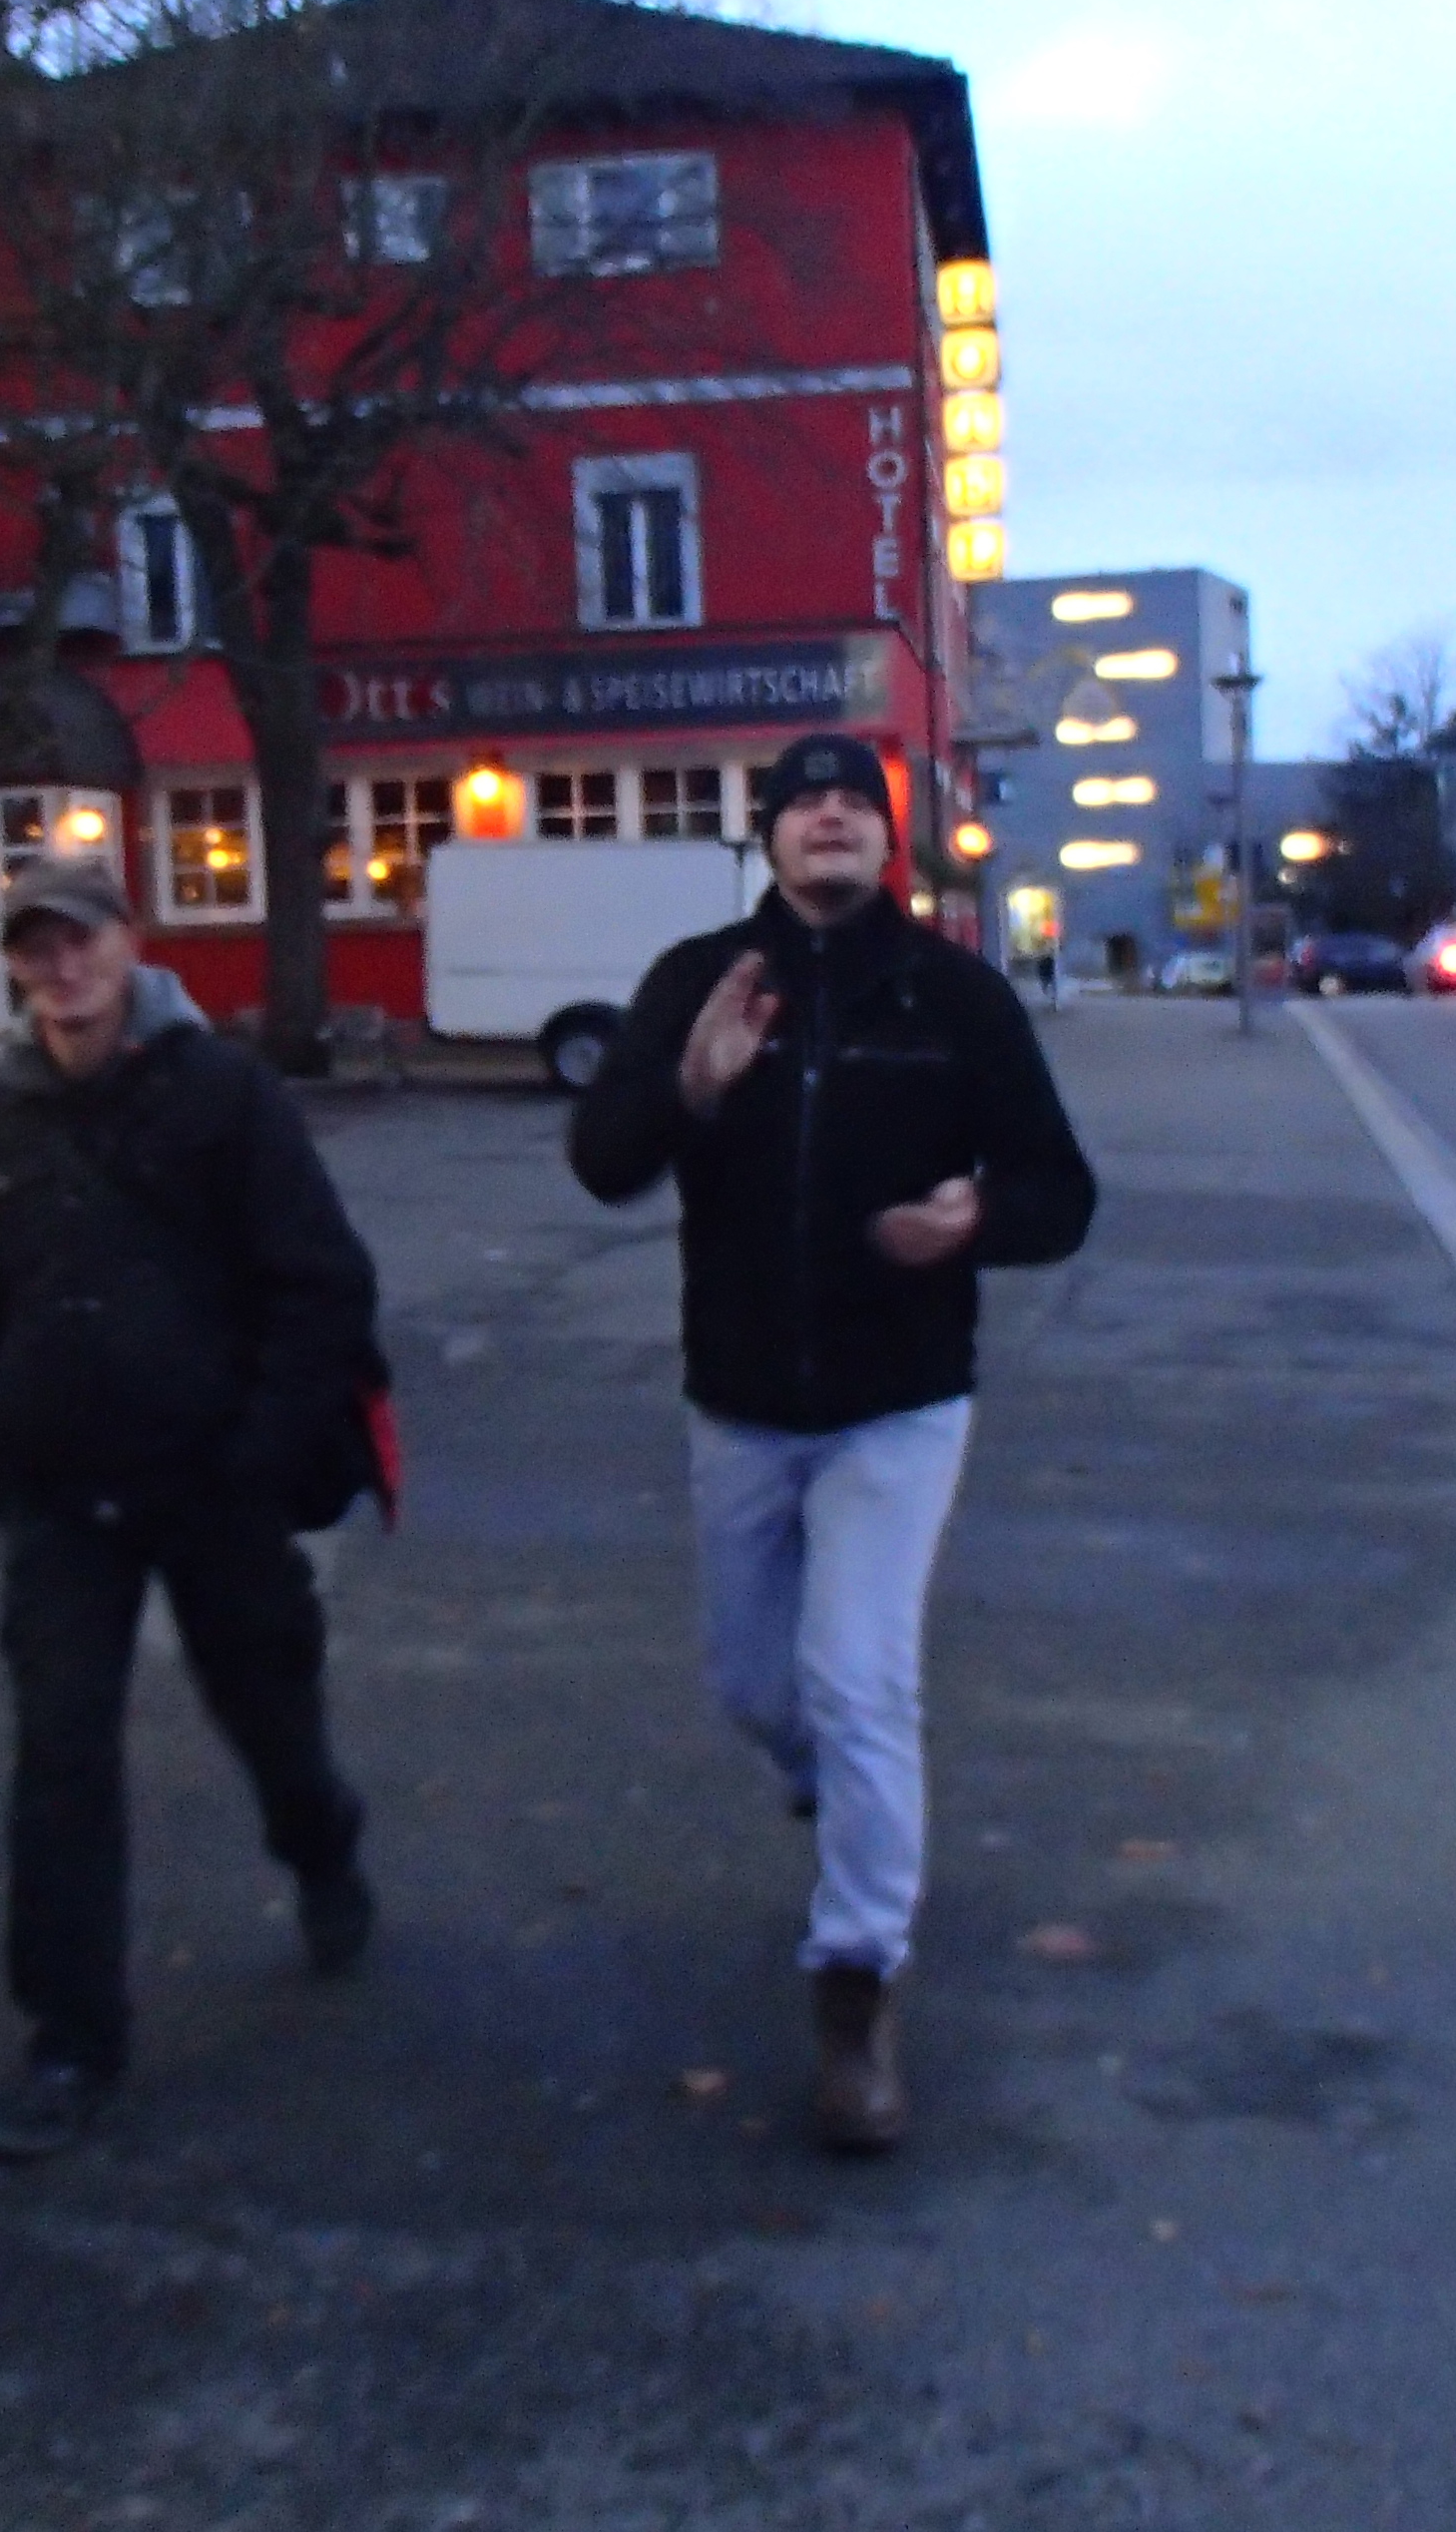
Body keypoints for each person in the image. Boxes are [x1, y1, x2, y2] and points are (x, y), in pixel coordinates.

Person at [569, 733, 1097, 2154]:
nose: (829, 820)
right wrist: (689, 1089)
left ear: (886, 839)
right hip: (739, 1398)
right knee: (757, 1686)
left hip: (897, 1402)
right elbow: (601, 1161)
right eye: (802, 804)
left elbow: (1059, 1190)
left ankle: (856, 1991)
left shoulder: (954, 996)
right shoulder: (699, 981)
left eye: (854, 802)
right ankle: (844, 1790)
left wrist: (976, 1219)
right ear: (768, 838)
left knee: (859, 1680)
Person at [0, 854, 384, 2163]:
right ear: (14, 963)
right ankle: (69, 2040)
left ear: (128, 943)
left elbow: (322, 1283)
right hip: (59, 1487)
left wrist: (258, 1453)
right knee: (60, 1751)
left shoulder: (220, 1094)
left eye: (80, 940)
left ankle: (321, 1845)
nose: (62, 967)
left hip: (210, 1478)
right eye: (36, 946)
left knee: (267, 1705)